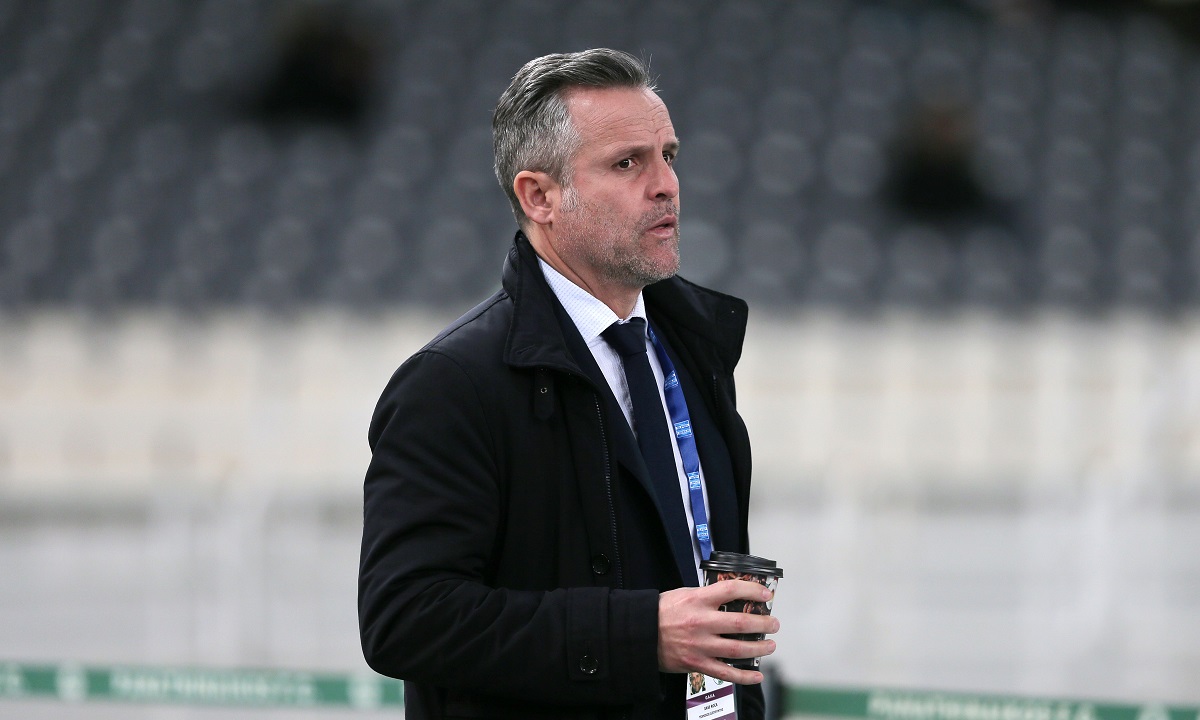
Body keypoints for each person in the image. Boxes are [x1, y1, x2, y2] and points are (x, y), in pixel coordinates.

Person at [359, 48, 778, 720]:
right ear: (539, 196)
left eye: (669, 155)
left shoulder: (695, 352)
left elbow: (708, 602)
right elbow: (406, 618)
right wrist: (639, 636)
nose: (666, 185)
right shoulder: (450, 384)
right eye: (627, 163)